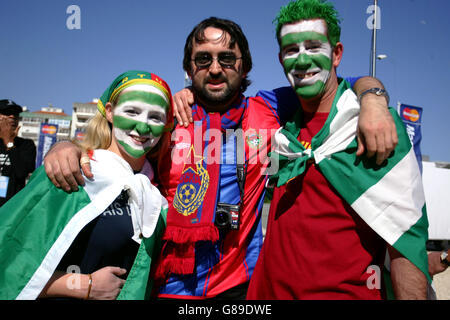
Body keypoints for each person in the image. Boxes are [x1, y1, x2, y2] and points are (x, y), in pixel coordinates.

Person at [43, 18, 397, 299]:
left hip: (241, 289)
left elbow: (339, 83)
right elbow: (111, 149)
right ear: (188, 68)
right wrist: (67, 148)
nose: (215, 68)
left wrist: (374, 98)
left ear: (244, 69)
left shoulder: (269, 109)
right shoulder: (166, 118)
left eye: (227, 59)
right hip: (167, 286)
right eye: (203, 59)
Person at [246, 0, 431, 300]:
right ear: (280, 59)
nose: (302, 60)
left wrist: (372, 97)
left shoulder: (373, 126)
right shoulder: (282, 126)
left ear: (337, 54)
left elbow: (406, 240)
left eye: (314, 46)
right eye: (291, 50)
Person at [0, 70, 173, 300]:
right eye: (131, 111)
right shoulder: (69, 171)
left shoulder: (155, 196)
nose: (142, 127)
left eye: (155, 117)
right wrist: (82, 284)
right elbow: (9, 263)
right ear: (110, 113)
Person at [0, 99, 36, 207]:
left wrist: (9, 142)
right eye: (7, 113)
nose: (12, 117)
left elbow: (21, 173)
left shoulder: (26, 145)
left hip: (10, 208)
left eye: (15, 114)